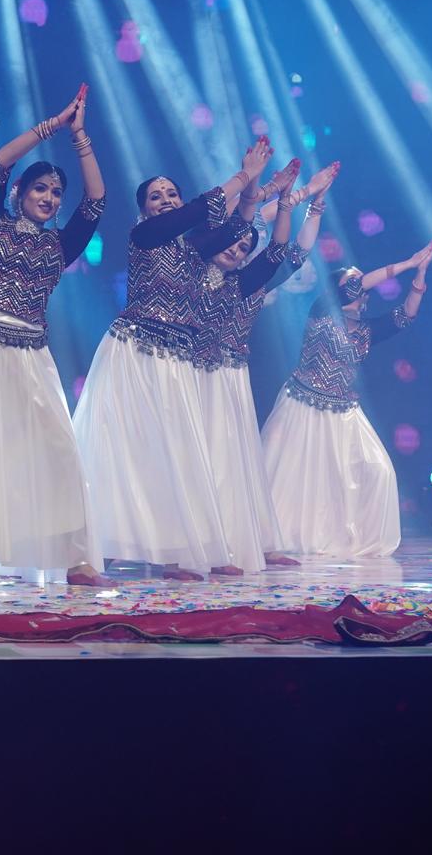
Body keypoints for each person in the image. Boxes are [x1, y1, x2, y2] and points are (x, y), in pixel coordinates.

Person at [71, 136, 273, 581]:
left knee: (174, 453)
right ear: (144, 210)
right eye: (155, 196)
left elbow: (234, 232)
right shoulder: (144, 236)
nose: (165, 200)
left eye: (171, 194)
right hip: (133, 351)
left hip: (175, 359)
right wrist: (243, 176)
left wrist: (252, 191)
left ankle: (172, 554)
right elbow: (195, 213)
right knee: (120, 448)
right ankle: (91, 554)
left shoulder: (191, 250)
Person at [0, 86, 116, 588]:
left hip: (29, 354)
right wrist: (51, 125)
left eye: (55, 193)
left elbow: (96, 201)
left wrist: (80, 137)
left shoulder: (61, 245)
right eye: (40, 189)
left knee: (56, 451)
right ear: (19, 194)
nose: (48, 198)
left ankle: (77, 561)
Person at [189, 161, 338, 571]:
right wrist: (290, 192)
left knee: (236, 461)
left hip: (233, 375)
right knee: (203, 458)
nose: (236, 249)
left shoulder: (250, 281)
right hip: (194, 371)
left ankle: (247, 540)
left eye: (243, 248)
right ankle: (204, 545)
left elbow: (294, 254)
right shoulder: (191, 270)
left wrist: (313, 205)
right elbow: (242, 219)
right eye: (231, 243)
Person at [262, 240, 432, 558]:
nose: (359, 285)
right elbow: (358, 284)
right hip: (303, 406)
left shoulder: (368, 330)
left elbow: (405, 316)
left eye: (360, 281)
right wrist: (407, 262)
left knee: (379, 471)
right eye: (352, 281)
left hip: (344, 411)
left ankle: (351, 537)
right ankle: (278, 539)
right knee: (294, 479)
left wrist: (420, 273)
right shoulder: (321, 312)